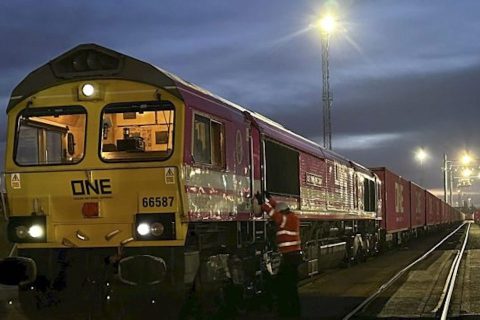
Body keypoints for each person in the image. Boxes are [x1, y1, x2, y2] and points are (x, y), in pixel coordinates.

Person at [261, 196, 302, 318]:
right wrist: (271, 199)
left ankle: (287, 313)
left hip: (289, 257)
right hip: (292, 257)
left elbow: (276, 216)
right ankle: (292, 312)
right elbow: (278, 210)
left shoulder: (286, 219)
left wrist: (263, 205)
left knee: (286, 286)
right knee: (290, 287)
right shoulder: (291, 217)